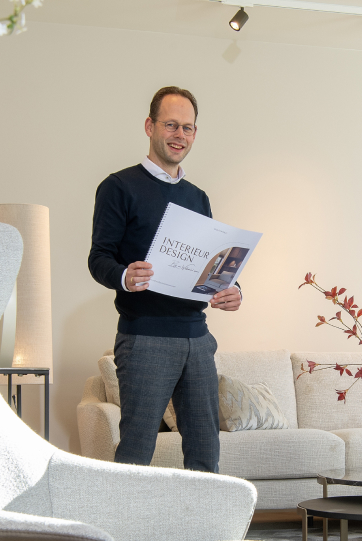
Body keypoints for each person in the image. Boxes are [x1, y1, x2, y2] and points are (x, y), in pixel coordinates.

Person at [88, 86, 242, 471]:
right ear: (149, 126)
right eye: (171, 125)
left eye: (188, 128)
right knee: (136, 453)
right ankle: (123, 532)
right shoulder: (119, 187)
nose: (180, 135)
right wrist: (124, 275)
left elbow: (208, 263)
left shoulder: (198, 197)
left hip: (197, 337)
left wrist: (232, 288)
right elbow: (98, 258)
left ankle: (203, 532)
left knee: (206, 454)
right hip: (145, 338)